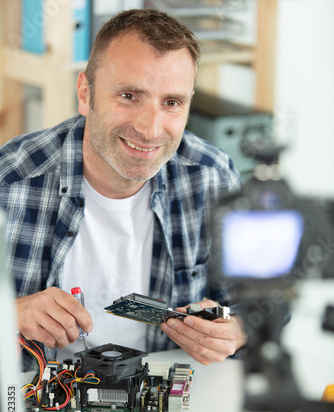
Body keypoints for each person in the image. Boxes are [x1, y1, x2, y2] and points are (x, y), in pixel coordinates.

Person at [0, 9, 246, 371]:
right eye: (129, 96)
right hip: (36, 408)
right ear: (85, 94)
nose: (150, 129)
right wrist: (10, 312)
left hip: (163, 404)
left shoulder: (213, 178)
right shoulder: (10, 180)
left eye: (171, 103)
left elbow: (258, 306)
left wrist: (237, 331)